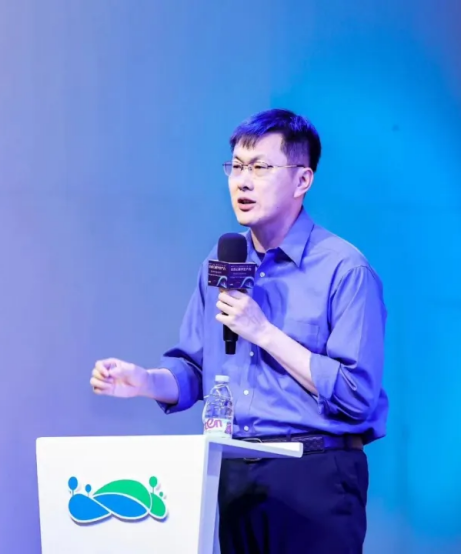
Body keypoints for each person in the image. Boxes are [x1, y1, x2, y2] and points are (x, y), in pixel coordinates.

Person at [90, 108, 388, 554]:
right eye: (236, 166)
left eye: (260, 167)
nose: (242, 182)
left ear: (302, 180)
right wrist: (144, 381)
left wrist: (264, 332)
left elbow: (356, 394)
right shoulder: (222, 261)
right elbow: (195, 369)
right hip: (235, 474)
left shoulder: (344, 269)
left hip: (314, 475)